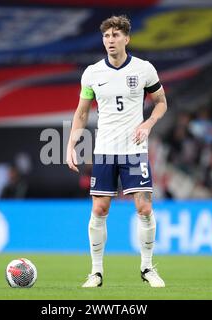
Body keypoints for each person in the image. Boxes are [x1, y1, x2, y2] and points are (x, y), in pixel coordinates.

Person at [66, 15, 167, 288]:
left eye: (115, 35)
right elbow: (82, 112)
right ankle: (96, 272)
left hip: (135, 150)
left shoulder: (144, 69)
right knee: (99, 209)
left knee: (144, 208)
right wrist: (71, 144)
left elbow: (161, 103)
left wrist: (148, 123)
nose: (110, 41)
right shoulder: (92, 73)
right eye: (106, 36)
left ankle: (147, 267)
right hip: (105, 151)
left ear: (127, 38)